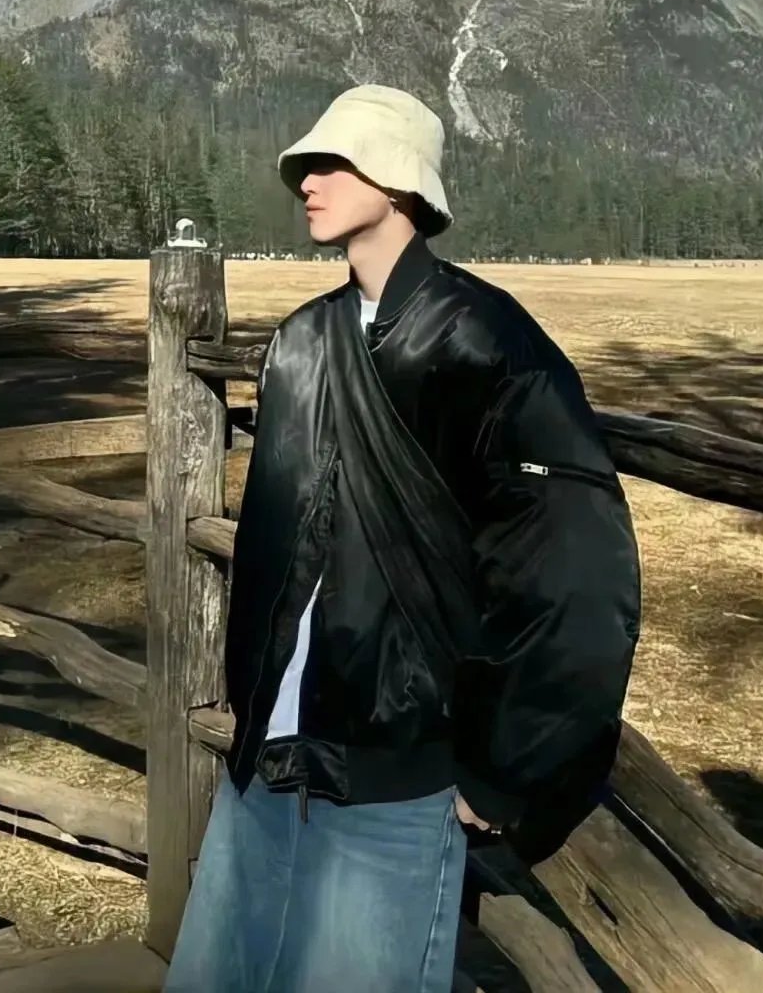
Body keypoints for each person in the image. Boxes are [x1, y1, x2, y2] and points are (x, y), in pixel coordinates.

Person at [163, 85, 641, 993]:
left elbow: (572, 570)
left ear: (398, 183)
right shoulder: (301, 342)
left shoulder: (489, 344)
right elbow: (273, 556)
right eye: (305, 166)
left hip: (398, 773)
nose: (306, 181)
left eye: (333, 162)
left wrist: (505, 769)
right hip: (267, 760)